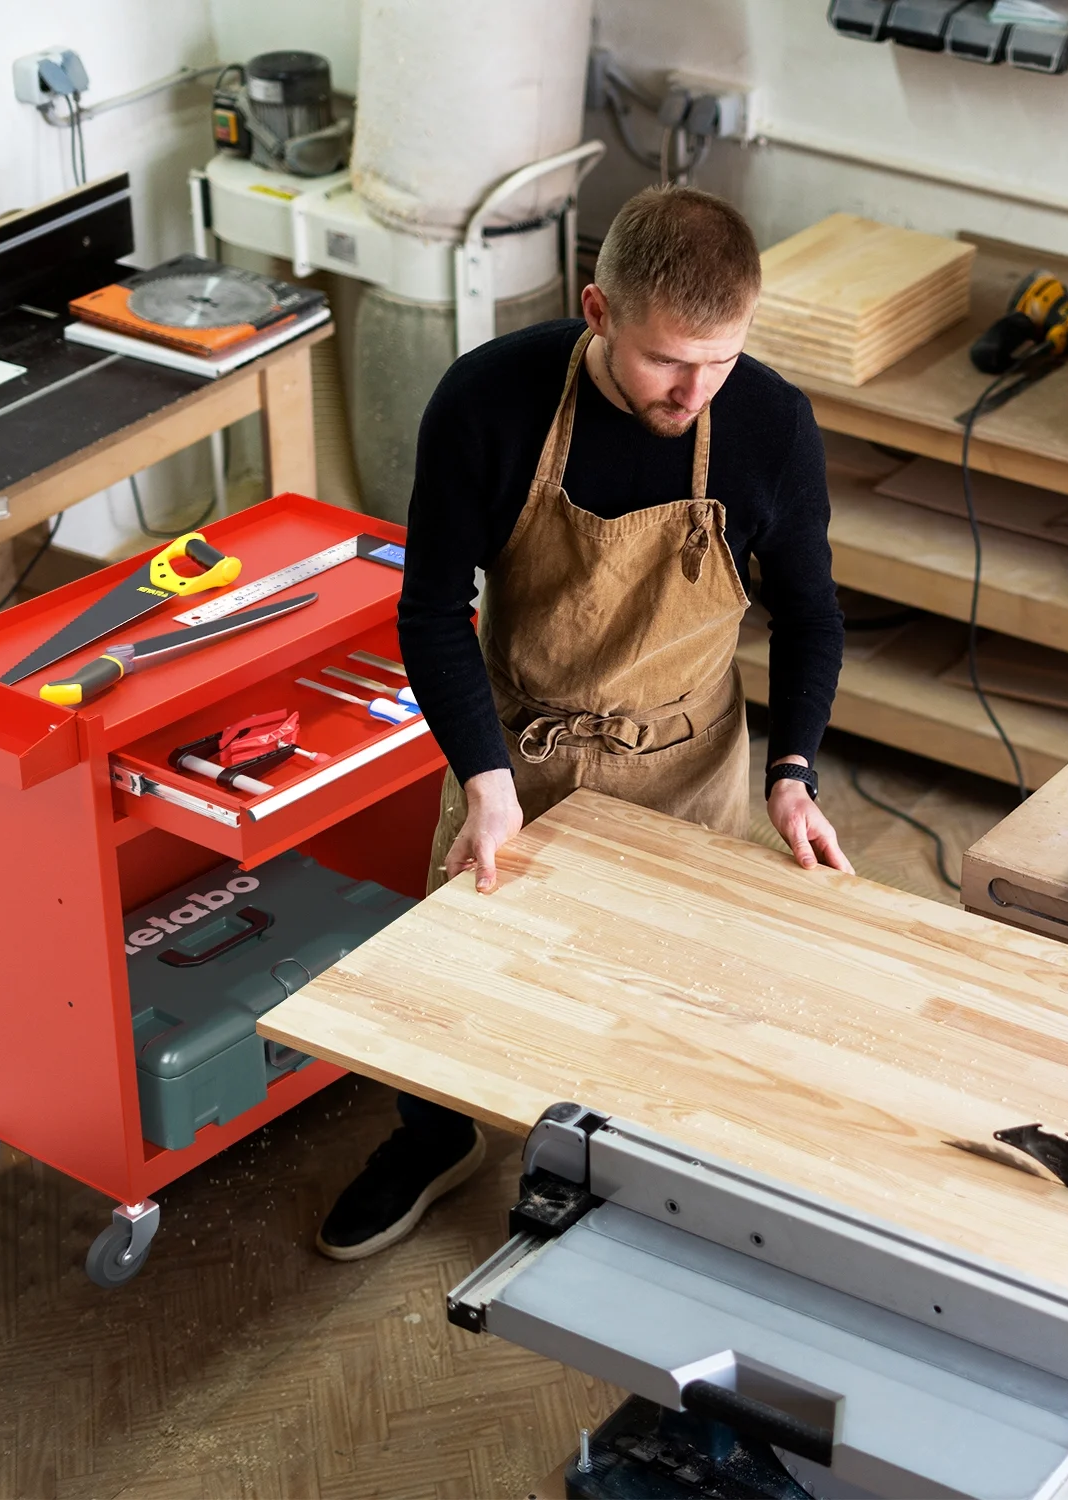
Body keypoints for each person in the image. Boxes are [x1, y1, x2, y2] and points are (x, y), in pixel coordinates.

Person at [315, 185, 852, 1260]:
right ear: (598, 308)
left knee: (661, 991)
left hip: (684, 759)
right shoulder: (490, 401)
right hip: (521, 749)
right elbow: (430, 608)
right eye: (668, 362)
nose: (695, 392)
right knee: (455, 982)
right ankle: (434, 1137)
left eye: (722, 361)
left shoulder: (769, 423)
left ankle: (622, 1171)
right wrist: (482, 774)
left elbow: (811, 610)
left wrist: (793, 770)